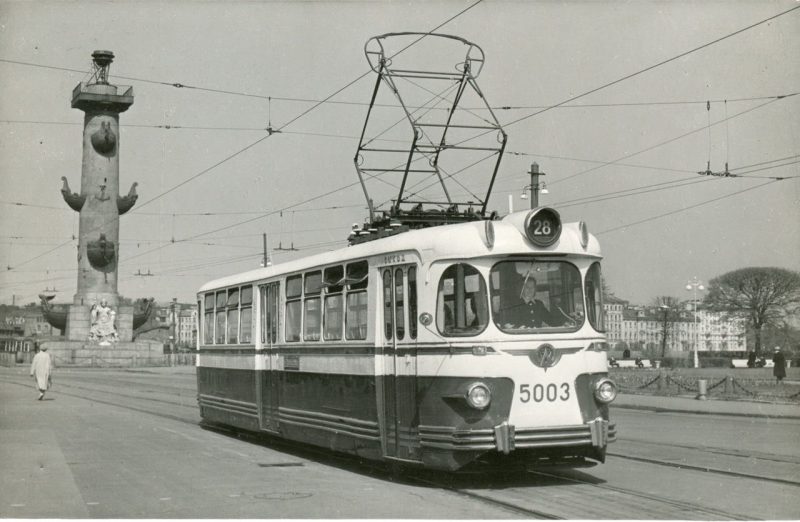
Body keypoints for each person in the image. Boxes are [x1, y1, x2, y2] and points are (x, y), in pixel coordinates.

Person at [500, 275, 570, 329]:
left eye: (532, 287)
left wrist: (564, 322)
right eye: (527, 287)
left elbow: (550, 320)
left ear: (535, 289)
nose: (530, 290)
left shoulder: (539, 304)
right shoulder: (514, 304)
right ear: (522, 289)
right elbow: (508, 323)